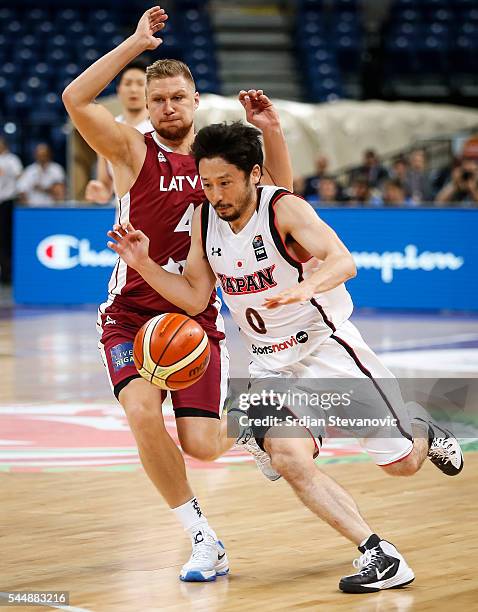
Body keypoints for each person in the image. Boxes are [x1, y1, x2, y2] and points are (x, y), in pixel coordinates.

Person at [107, 121, 464, 594]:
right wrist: (145, 265)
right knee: (290, 458)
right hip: (270, 366)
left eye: (226, 183)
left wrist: (307, 287)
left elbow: (343, 261)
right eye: (208, 183)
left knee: (400, 463)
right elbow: (195, 297)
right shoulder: (204, 219)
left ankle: (420, 430)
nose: (216, 194)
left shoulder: (284, 209)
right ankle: (378, 553)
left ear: (254, 174)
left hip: (328, 352)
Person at [62, 6, 293, 583]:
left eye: (178, 97)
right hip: (130, 314)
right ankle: (202, 536)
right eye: (158, 97)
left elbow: (280, 191)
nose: (167, 107)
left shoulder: (216, 160)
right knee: (142, 412)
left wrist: (271, 132)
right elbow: (75, 99)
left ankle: (255, 424)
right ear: (149, 102)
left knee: (204, 445)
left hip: (193, 312)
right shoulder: (133, 150)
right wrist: (134, 44)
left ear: (195, 101)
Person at [85, 60, 153, 204]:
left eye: (140, 84)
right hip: (123, 219)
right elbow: (106, 186)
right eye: (128, 83)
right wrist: (100, 190)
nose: (133, 89)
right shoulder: (108, 129)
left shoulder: (160, 128)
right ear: (119, 89)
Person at [0, 137, 22, 285]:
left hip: (6, 202)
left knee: (5, 239)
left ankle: (8, 274)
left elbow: (20, 176)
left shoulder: (11, 160)